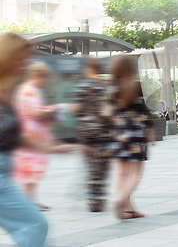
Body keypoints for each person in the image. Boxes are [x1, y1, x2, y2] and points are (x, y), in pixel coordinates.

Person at [0, 33, 81, 247]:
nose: (25, 64)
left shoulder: (8, 92)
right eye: (21, 58)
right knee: (34, 226)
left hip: (4, 170)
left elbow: (13, 136)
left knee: (32, 226)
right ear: (7, 57)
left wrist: (53, 148)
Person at [109, 55, 155, 220]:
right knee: (135, 172)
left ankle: (128, 209)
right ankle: (121, 201)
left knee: (121, 172)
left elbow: (109, 113)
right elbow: (144, 110)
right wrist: (151, 132)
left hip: (118, 132)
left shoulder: (111, 88)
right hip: (135, 132)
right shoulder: (136, 86)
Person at [12, 62, 63, 211]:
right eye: (44, 78)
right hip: (30, 137)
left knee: (32, 171)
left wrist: (48, 111)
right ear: (37, 75)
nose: (45, 81)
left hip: (32, 136)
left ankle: (31, 200)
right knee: (30, 170)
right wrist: (53, 109)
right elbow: (35, 112)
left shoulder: (29, 89)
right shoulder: (29, 90)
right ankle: (28, 202)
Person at [73, 58, 113, 212]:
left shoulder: (82, 86)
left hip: (86, 133)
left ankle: (92, 199)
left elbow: (76, 109)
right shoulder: (106, 86)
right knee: (103, 167)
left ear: (88, 68)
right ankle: (99, 200)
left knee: (90, 167)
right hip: (104, 132)